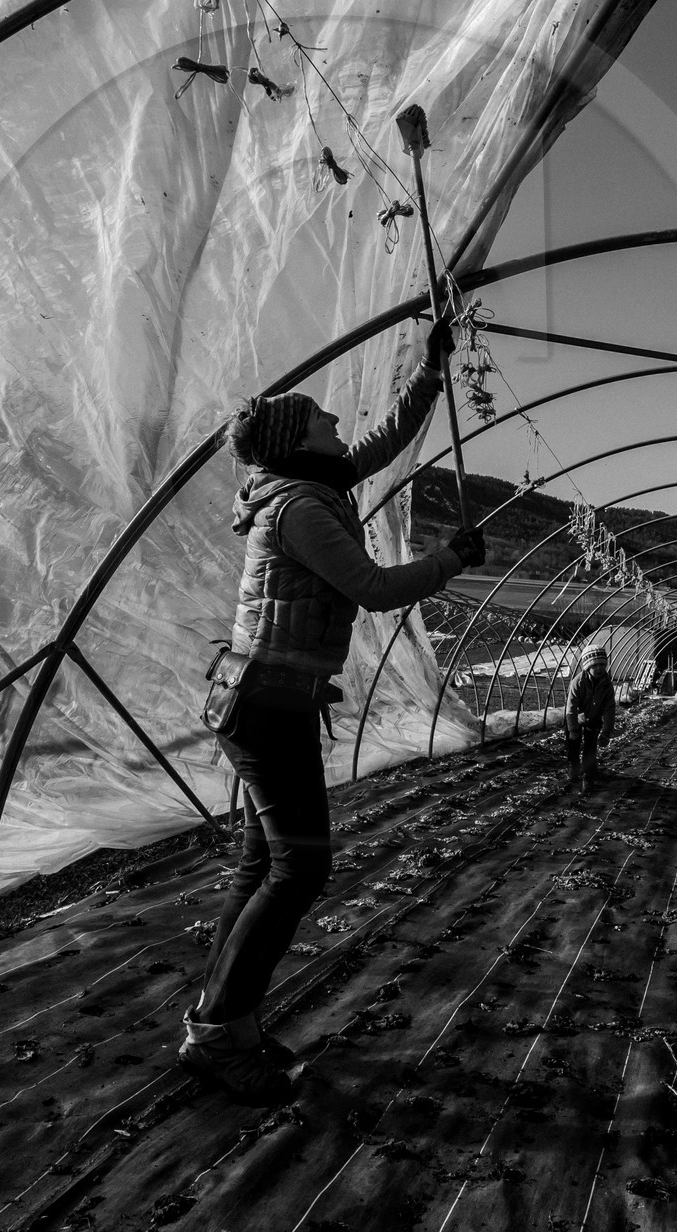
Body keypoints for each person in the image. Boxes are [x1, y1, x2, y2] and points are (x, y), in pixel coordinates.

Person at [178, 317, 485, 1104]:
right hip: (265, 702)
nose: (336, 422)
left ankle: (224, 1024)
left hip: (272, 698)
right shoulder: (302, 510)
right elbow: (374, 590)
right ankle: (217, 1031)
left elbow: (385, 438)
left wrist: (428, 370)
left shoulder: (313, 484)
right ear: (295, 439)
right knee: (300, 866)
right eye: (321, 417)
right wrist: (451, 559)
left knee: (262, 864)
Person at [564, 643, 615, 793]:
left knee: (590, 748)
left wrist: (607, 732)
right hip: (575, 718)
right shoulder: (578, 682)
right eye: (595, 665)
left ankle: (588, 776)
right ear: (587, 666)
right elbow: (571, 707)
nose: (599, 668)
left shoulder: (607, 684)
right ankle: (574, 767)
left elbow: (609, 709)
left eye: (602, 664)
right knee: (573, 745)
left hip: (594, 718)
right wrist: (573, 729)